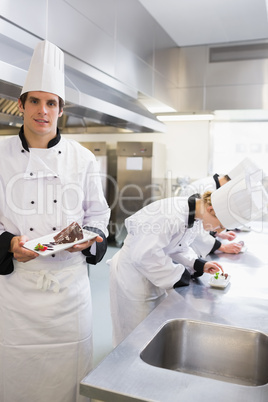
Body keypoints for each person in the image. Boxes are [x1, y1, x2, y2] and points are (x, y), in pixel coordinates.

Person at [0, 40, 110, 402]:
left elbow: (98, 215)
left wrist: (89, 237)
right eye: (35, 101)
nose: (42, 111)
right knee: (15, 374)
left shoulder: (82, 159)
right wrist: (8, 244)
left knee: (69, 378)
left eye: (51, 103)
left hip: (68, 292)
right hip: (15, 295)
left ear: (61, 110)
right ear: (22, 104)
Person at [109, 173, 268, 347]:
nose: (218, 230)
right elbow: (145, 256)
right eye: (220, 224)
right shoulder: (170, 216)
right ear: (211, 209)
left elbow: (177, 246)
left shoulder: (194, 216)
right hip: (133, 277)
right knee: (134, 336)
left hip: (152, 275)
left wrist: (197, 263)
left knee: (149, 332)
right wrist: (180, 275)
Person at [180, 158, 261, 257]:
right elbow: (195, 229)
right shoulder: (205, 188)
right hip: (185, 250)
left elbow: (205, 223)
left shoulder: (217, 189)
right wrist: (222, 247)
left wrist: (218, 233)